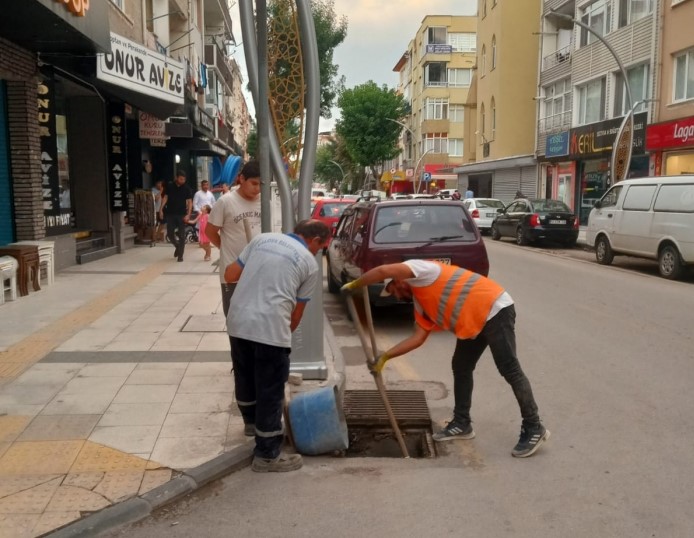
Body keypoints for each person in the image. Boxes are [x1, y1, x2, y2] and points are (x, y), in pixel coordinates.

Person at [341, 260, 549, 458]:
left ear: (398, 280)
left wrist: (356, 284)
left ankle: (534, 426)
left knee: (509, 368)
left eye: (393, 290)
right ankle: (462, 423)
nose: (395, 295)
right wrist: (384, 357)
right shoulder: (420, 302)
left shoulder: (422, 270)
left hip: (494, 309)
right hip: (474, 323)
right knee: (461, 366)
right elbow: (418, 338)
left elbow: (384, 271)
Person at [224, 219, 331, 472]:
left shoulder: (261, 239)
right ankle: (268, 455)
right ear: (314, 240)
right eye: (320, 247)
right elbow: (296, 314)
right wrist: (282, 339)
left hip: (238, 322)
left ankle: (251, 424)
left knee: (245, 377)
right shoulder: (308, 262)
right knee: (270, 389)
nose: (318, 252)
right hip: (270, 329)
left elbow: (230, 275)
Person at [206, 161, 262, 318]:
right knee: (235, 322)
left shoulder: (266, 203)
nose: (257, 189)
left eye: (261, 185)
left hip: (260, 273)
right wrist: (225, 248)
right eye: (254, 183)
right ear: (241, 179)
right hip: (233, 275)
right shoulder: (226, 202)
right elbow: (210, 232)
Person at [160, 170, 192, 262]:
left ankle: (180, 255)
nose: (183, 181)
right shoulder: (170, 186)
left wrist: (188, 214)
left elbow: (190, 202)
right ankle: (177, 246)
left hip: (181, 214)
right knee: (170, 234)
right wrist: (161, 209)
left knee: (182, 235)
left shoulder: (186, 188)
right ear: (177, 178)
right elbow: (165, 197)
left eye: (184, 179)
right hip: (170, 214)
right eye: (181, 179)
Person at [151, 180, 165, 245]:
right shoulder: (153, 190)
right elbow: (156, 199)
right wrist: (160, 192)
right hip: (154, 210)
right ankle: (154, 238)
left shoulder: (161, 191)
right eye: (159, 183)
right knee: (155, 224)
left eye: (161, 183)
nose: (160, 185)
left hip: (160, 210)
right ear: (156, 183)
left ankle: (157, 235)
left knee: (163, 222)